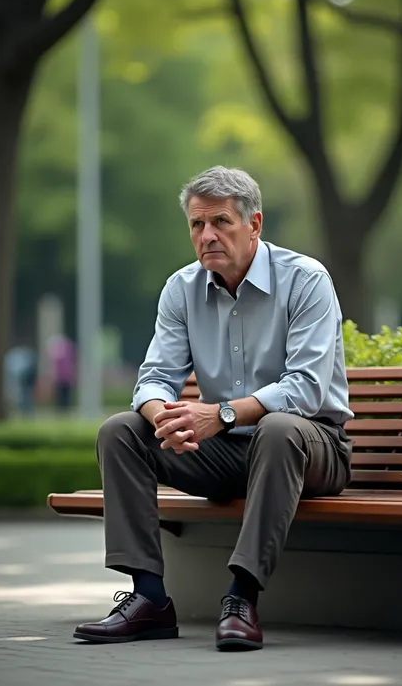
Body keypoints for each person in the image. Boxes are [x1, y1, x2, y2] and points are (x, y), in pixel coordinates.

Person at [73, 166, 354, 650]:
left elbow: (307, 389)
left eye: (221, 222)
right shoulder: (182, 289)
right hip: (227, 453)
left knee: (279, 429)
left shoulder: (306, 280)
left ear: (255, 224)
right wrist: (164, 417)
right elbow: (154, 378)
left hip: (311, 447)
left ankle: (242, 598)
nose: (207, 236)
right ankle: (149, 600)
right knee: (121, 431)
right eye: (197, 225)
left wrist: (219, 414)